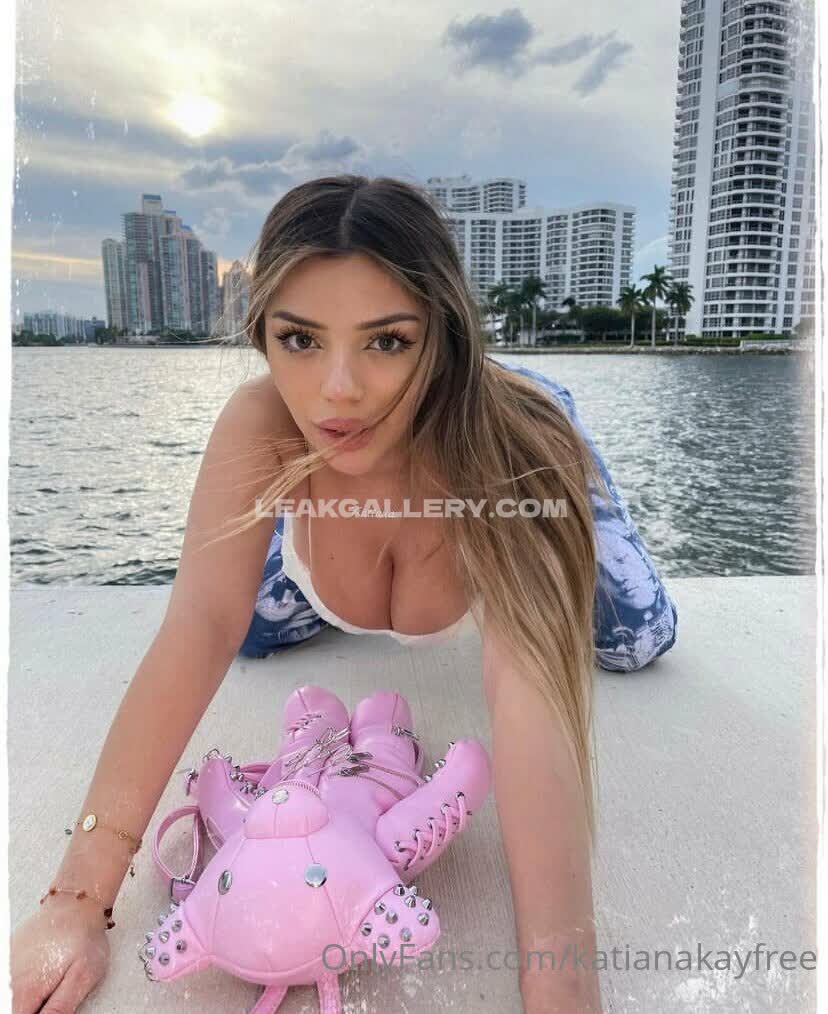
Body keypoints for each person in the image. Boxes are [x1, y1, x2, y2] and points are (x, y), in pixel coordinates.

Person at [10, 174, 678, 1014]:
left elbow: (530, 693)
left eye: (387, 340)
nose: (338, 390)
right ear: (263, 335)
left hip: (508, 452)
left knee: (634, 637)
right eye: (300, 339)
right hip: (327, 524)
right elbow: (201, 625)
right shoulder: (263, 424)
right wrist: (76, 901)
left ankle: (557, 419)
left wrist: (561, 985)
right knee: (250, 628)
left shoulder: (512, 458)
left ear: (442, 336)